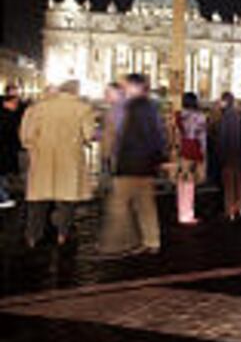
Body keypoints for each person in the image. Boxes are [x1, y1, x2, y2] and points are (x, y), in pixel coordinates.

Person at [98, 74, 167, 256]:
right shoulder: (152, 107)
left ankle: (119, 243)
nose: (124, 89)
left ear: (136, 87)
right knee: (146, 205)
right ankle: (152, 241)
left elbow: (124, 137)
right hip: (145, 164)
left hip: (130, 163)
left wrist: (113, 156)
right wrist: (157, 160)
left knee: (119, 204)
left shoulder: (131, 107)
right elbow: (158, 136)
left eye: (126, 85)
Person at [19, 80, 95, 247]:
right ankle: (62, 235)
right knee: (66, 200)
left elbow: (26, 136)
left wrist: (34, 148)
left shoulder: (37, 108)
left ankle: (33, 236)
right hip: (70, 161)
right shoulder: (83, 108)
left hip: (42, 159)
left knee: (38, 201)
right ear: (75, 91)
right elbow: (89, 134)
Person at [174, 92, 206, 224]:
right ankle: (188, 213)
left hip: (182, 148)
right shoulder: (199, 117)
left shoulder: (178, 116)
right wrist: (203, 152)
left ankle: (182, 211)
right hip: (194, 147)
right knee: (190, 181)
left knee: (182, 180)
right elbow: (202, 137)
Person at [214, 92, 241, 220]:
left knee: (228, 183)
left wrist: (220, 153)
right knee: (238, 181)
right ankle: (239, 207)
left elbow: (222, 137)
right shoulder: (238, 116)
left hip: (227, 153)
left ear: (225, 101)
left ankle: (229, 209)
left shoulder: (225, 117)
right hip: (238, 153)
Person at [0, 85, 25, 209]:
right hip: (5, 149)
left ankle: (6, 195)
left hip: (10, 149)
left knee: (4, 173)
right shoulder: (6, 116)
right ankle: (4, 197)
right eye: (14, 100)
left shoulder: (18, 109)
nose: (16, 102)